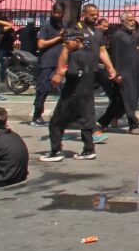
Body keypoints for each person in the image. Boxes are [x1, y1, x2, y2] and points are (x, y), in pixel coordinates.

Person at [41, 28, 101, 161]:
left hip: (72, 93)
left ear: (77, 41)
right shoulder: (91, 53)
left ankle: (56, 151)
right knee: (85, 121)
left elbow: (73, 73)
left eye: (67, 43)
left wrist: (63, 73)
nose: (66, 46)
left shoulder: (74, 55)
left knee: (56, 122)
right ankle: (89, 149)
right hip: (87, 92)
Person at [97, 11, 139, 134]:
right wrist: (116, 73)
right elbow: (115, 56)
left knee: (119, 101)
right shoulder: (118, 36)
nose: (132, 23)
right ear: (122, 22)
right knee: (128, 99)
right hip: (123, 73)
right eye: (129, 20)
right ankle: (133, 125)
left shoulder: (132, 35)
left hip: (133, 72)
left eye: (133, 20)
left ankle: (102, 122)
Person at [30, 2, 65, 126]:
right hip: (47, 62)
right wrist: (58, 38)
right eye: (55, 13)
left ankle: (65, 117)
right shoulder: (46, 25)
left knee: (65, 90)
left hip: (61, 63)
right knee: (43, 90)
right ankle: (37, 116)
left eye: (59, 13)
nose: (57, 15)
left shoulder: (64, 25)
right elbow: (41, 44)